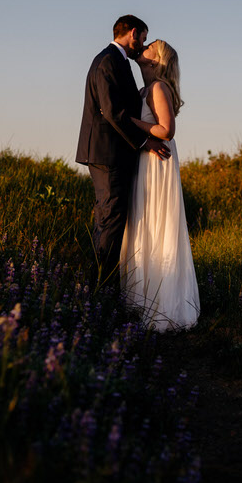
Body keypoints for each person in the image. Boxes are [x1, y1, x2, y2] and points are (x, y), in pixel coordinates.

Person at [76, 15, 170, 290]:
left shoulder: (116, 61)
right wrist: (144, 142)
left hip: (110, 154)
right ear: (132, 33)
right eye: (141, 39)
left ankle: (100, 287)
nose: (141, 46)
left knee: (108, 221)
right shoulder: (108, 61)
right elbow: (112, 112)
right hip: (108, 155)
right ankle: (101, 290)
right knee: (110, 223)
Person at [119, 39, 200, 331]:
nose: (143, 47)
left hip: (157, 162)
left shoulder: (158, 87)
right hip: (146, 158)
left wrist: (128, 121)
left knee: (156, 223)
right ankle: (143, 299)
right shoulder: (144, 89)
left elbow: (166, 130)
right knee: (143, 224)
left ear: (157, 59)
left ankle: (164, 305)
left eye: (150, 46)